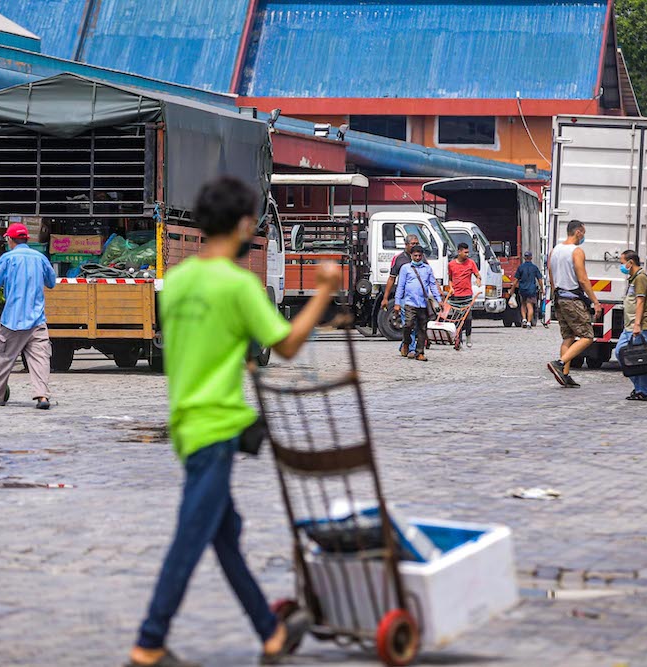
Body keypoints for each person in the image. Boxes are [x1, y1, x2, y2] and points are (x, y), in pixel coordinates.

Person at [127, 177, 340, 667]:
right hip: (217, 427)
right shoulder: (239, 284)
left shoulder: (177, 282)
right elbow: (284, 345)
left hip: (184, 423)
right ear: (246, 223)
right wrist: (323, 291)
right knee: (191, 538)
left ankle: (269, 633)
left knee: (226, 533)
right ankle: (148, 642)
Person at [0, 223, 57, 410]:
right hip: (37, 320)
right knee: (40, 359)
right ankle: (42, 396)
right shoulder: (40, 258)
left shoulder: (7, 259)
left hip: (12, 321)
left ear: (9, 239)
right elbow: (51, 282)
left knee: (4, 358)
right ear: (27, 239)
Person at [547, 220, 600, 387]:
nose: (583, 236)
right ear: (578, 232)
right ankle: (560, 363)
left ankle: (565, 375)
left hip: (559, 297)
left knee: (568, 337)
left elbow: (551, 274)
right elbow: (583, 279)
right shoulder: (576, 251)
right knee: (587, 336)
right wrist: (595, 302)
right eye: (583, 233)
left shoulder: (554, 250)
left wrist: (555, 295)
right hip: (572, 298)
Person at [615, 250, 647, 401]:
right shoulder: (634, 278)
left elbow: (640, 302)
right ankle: (641, 386)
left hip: (637, 326)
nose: (622, 266)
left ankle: (643, 390)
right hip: (629, 325)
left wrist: (637, 325)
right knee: (622, 353)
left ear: (630, 262)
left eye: (622, 263)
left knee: (637, 358)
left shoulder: (641, 278)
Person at [393, 244, 441, 362]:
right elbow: (401, 286)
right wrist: (397, 302)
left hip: (423, 303)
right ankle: (406, 343)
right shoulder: (405, 268)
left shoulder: (427, 269)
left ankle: (420, 352)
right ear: (411, 255)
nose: (418, 258)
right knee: (408, 325)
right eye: (415, 256)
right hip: (409, 302)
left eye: (420, 255)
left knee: (422, 329)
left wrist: (439, 300)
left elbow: (432, 285)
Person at [382, 233, 420, 356]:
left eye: (417, 243)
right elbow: (391, 279)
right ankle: (412, 349)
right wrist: (385, 298)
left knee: (416, 323)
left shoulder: (420, 256)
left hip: (418, 298)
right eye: (413, 244)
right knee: (409, 323)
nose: (415, 246)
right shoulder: (399, 259)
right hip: (404, 297)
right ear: (406, 245)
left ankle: (405, 345)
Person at [447, 242, 481, 348]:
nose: (467, 254)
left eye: (467, 252)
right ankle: (458, 339)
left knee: (468, 318)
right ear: (459, 252)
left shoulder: (471, 263)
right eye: (465, 252)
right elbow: (450, 279)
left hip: (467, 295)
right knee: (457, 318)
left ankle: (468, 336)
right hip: (456, 296)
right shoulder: (451, 264)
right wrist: (451, 288)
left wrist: (478, 280)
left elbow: (477, 275)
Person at [511, 250, 543, 329]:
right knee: (530, 306)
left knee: (523, 304)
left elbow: (515, 281)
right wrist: (542, 289)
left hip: (522, 289)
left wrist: (512, 290)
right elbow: (539, 279)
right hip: (531, 289)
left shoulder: (521, 267)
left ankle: (524, 319)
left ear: (524, 258)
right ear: (531, 258)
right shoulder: (534, 268)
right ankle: (529, 322)